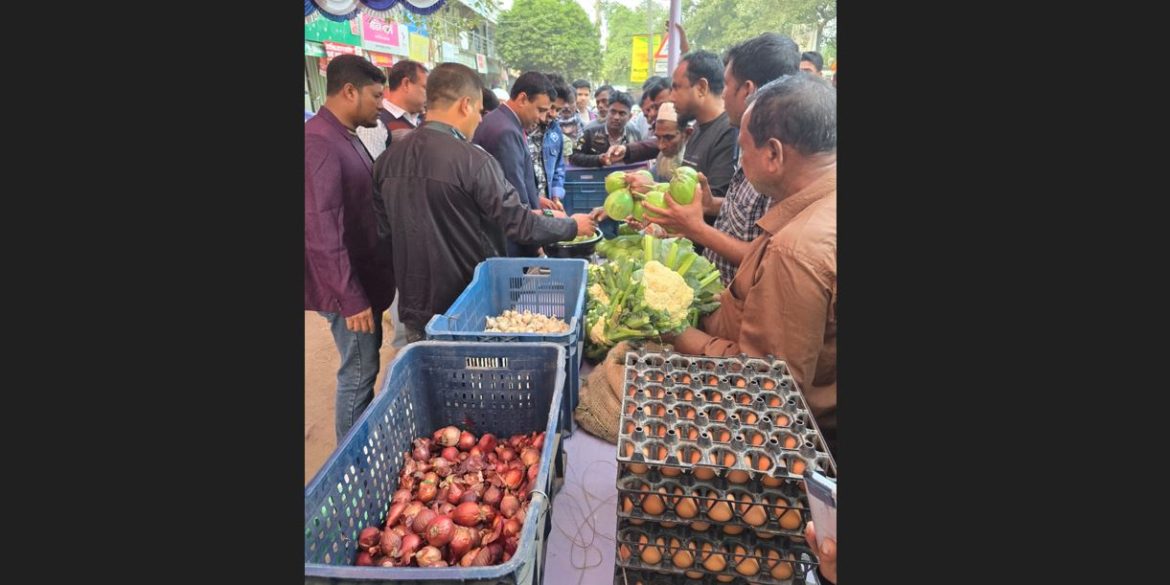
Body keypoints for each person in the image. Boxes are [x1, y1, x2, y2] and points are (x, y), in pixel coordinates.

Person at [662, 73, 838, 451]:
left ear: (773, 154)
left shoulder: (795, 251)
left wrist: (680, 335)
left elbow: (766, 388)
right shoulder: (815, 211)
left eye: (743, 150)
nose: (741, 162)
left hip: (787, 440)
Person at [374, 63, 595, 342]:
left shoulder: (387, 159)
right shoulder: (473, 161)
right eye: (479, 111)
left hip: (414, 305)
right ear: (465, 105)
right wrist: (572, 226)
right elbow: (518, 223)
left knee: (427, 366)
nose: (480, 121)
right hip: (467, 304)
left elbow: (384, 236)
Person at [642, 33, 801, 285]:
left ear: (748, 90)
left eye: (726, 85)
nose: (723, 95)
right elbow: (747, 212)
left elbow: (769, 259)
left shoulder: (776, 160)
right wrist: (711, 204)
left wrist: (698, 229)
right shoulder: (745, 140)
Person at [304, 54, 396, 443]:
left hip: (363, 278)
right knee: (359, 372)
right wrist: (349, 296)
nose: (381, 105)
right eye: (376, 96)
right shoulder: (319, 142)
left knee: (365, 365)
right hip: (348, 288)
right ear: (348, 92)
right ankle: (352, 459)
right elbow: (320, 226)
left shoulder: (345, 135)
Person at [472, 71, 557, 256]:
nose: (542, 118)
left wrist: (536, 199)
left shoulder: (502, 121)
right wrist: (536, 248)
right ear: (522, 99)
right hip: (507, 241)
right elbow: (514, 196)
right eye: (540, 110)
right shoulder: (505, 132)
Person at [669, 50, 738, 200]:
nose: (671, 97)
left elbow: (715, 201)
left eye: (677, 87)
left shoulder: (729, 132)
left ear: (701, 87)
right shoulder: (697, 128)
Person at [356, 60, 428, 160]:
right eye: (425, 88)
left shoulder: (425, 119)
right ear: (406, 84)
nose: (429, 94)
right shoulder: (374, 123)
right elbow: (374, 167)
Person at [569, 90, 640, 168]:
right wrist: (598, 159)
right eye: (613, 112)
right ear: (607, 112)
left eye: (622, 113)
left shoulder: (634, 135)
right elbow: (573, 157)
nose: (616, 117)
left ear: (630, 116)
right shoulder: (590, 133)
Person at [532, 74, 572, 208]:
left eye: (558, 110)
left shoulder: (556, 131)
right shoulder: (522, 131)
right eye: (551, 107)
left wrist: (556, 196)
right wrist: (534, 198)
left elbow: (558, 168)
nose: (554, 114)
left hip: (547, 205)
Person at [646, 102, 691, 182]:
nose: (661, 146)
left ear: (687, 134)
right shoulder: (663, 160)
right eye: (658, 137)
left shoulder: (696, 162)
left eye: (668, 138)